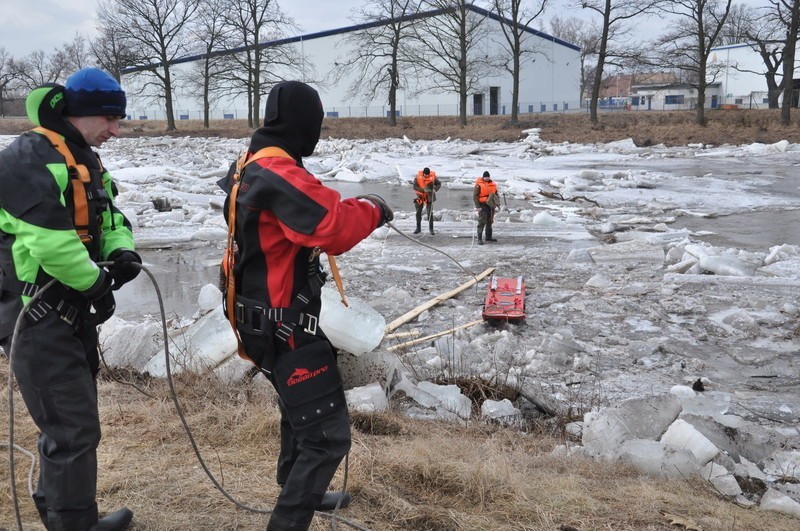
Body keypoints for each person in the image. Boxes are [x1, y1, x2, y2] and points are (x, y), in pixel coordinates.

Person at [217, 81, 393, 531]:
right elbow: (332, 224)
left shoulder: (250, 163)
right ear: (303, 125)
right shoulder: (276, 171)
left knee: (300, 412)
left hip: (265, 318)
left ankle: (299, 489)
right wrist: (373, 206)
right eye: (316, 123)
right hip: (281, 324)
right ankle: (289, 519)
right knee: (327, 436)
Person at [0, 67, 140, 530]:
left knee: (65, 421)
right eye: (110, 120)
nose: (116, 131)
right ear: (83, 114)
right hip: (33, 315)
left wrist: (121, 252)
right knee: (73, 428)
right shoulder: (26, 159)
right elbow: (50, 244)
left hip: (67, 310)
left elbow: (109, 214)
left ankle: (62, 513)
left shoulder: (83, 157)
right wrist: (96, 284)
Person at [413, 166, 441, 235]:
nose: (427, 176)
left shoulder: (433, 177)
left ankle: (431, 229)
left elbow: (439, 184)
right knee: (418, 213)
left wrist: (435, 189)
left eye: (428, 175)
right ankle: (418, 228)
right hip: (420, 197)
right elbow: (414, 186)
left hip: (429, 197)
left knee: (430, 213)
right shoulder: (417, 177)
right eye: (426, 175)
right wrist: (422, 190)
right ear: (423, 173)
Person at [474, 170, 499, 244]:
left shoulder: (493, 184)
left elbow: (496, 194)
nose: (487, 178)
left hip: (491, 205)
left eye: (488, 177)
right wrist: (477, 206)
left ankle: (488, 237)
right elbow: (475, 196)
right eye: (485, 177)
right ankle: (479, 238)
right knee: (482, 221)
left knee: (490, 221)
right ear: (483, 177)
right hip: (483, 204)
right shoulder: (478, 185)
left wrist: (497, 203)